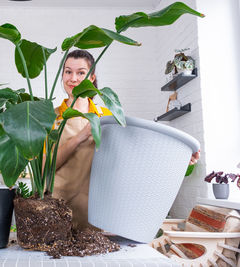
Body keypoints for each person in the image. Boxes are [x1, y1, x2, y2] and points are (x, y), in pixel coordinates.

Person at [52, 49, 200, 230]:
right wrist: (80, 137)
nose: (73, 79)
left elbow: (132, 159)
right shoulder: (50, 118)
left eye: (81, 73)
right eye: (68, 72)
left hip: (97, 217)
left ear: (91, 78)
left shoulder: (107, 118)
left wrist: (181, 159)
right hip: (56, 212)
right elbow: (44, 167)